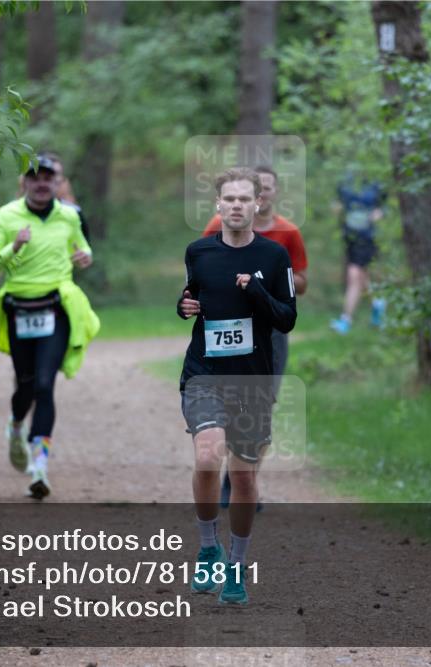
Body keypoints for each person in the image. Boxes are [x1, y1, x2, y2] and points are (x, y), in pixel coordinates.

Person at [177, 167, 297, 605]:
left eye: (245, 199)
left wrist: (257, 292)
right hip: (204, 373)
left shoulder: (274, 256)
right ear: (217, 204)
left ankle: (237, 565)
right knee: (208, 455)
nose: (236, 205)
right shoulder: (199, 251)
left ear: (257, 203)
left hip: (252, 380)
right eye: (229, 198)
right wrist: (183, 306)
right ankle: (209, 547)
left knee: (244, 478)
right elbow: (193, 296)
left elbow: (287, 318)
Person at [0, 154, 99, 499]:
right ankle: (16, 426)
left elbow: (83, 248)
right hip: (19, 308)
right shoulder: (8, 215)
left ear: (57, 182)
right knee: (26, 384)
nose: (41, 183)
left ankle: (39, 466)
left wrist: (85, 257)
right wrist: (13, 247)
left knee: (45, 385)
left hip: (56, 307)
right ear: (24, 183)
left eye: (48, 177)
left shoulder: (69, 216)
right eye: (34, 177)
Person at [202, 165, 308, 509]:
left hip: (270, 329)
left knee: (261, 403)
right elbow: (200, 269)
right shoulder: (216, 226)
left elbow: (301, 282)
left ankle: (240, 482)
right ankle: (231, 476)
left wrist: (267, 281)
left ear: (267, 195)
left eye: (265, 187)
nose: (245, 200)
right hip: (227, 326)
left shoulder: (287, 233)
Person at [330, 172, 387, 334]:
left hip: (369, 237)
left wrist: (379, 213)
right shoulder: (345, 180)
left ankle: (346, 320)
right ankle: (378, 303)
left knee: (354, 275)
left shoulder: (377, 183)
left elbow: (385, 206)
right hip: (350, 237)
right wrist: (336, 207)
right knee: (362, 276)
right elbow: (337, 201)